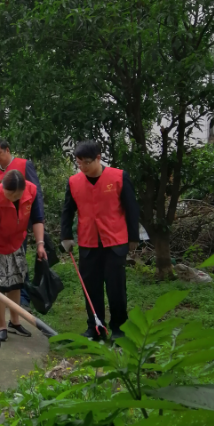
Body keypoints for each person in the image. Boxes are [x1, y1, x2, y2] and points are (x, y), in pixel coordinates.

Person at [60, 140, 140, 342]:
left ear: (98, 158)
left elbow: (131, 208)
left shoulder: (119, 177)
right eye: (79, 163)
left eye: (87, 163)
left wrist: (133, 237)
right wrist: (66, 236)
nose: (83, 167)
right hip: (88, 243)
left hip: (115, 242)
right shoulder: (74, 182)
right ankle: (95, 328)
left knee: (116, 289)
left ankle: (119, 329)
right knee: (91, 288)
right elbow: (67, 211)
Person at [0, 170, 46, 342]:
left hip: (15, 241)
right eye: (9, 194)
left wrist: (40, 244)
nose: (12, 198)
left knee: (16, 282)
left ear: (23, 190)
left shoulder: (31, 191)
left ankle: (15, 322)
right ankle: (2, 326)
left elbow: (37, 218)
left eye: (16, 195)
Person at [0, 138, 42, 311]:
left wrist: (37, 221)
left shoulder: (24, 165)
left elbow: (35, 195)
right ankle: (4, 296)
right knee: (3, 263)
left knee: (19, 261)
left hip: (21, 223)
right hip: (0, 227)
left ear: (7, 150)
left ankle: (23, 298)